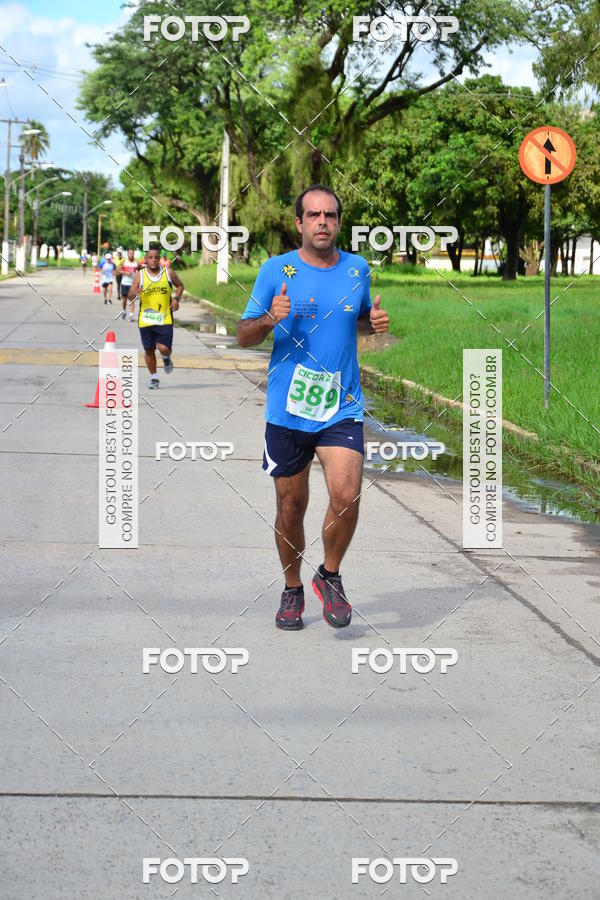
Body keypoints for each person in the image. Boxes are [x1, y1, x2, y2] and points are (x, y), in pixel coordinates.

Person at [236, 184, 389, 631]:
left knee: (346, 496)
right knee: (291, 506)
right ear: (299, 223)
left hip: (341, 404)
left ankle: (330, 574)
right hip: (287, 410)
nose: (323, 222)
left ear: (339, 223)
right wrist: (269, 318)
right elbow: (244, 335)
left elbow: (356, 321)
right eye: (314, 215)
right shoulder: (275, 270)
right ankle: (291, 587)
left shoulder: (358, 269)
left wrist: (372, 323)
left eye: (331, 215)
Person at [128, 245, 183, 389]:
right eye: (150, 257)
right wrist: (135, 293)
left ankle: (166, 357)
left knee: (163, 348)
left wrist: (176, 299)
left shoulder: (168, 273)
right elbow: (130, 295)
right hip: (145, 319)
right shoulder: (140, 275)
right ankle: (154, 378)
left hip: (164, 318)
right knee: (149, 350)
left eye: (156, 257)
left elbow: (180, 286)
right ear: (145, 259)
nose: (153, 260)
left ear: (160, 259)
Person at [117, 248, 139, 321]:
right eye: (130, 253)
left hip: (133, 284)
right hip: (124, 283)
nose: (131, 255)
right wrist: (125, 273)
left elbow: (141, 271)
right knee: (124, 300)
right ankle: (124, 311)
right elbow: (118, 270)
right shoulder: (124, 262)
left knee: (132, 299)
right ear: (128, 254)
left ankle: (131, 314)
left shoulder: (136, 263)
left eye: (132, 253)